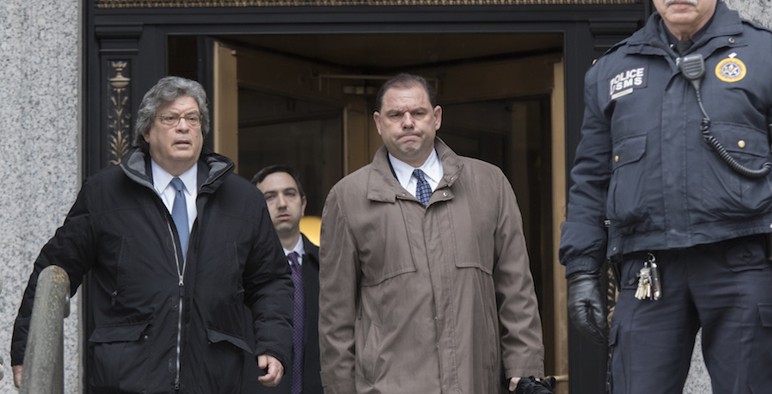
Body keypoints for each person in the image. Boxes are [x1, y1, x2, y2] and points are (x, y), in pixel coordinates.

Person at [559, 0, 772, 392]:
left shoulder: (771, 56)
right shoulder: (611, 70)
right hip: (647, 270)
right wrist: (582, 269)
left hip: (743, 261)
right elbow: (590, 179)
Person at [10, 76, 292, 392]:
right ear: (147, 131)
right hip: (127, 379)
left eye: (192, 119)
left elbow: (270, 280)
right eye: (170, 118)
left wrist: (273, 343)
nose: (183, 127)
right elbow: (54, 270)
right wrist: (27, 351)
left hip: (213, 378)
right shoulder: (104, 193)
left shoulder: (243, 199)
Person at [319, 73, 545, 393]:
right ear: (378, 123)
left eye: (418, 113)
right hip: (389, 385)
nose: (408, 122)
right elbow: (335, 316)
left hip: (474, 381)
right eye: (396, 115)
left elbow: (516, 287)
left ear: (436, 118)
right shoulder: (348, 198)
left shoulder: (489, 184)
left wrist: (525, 367)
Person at [247, 165, 323, 394]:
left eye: (289, 194)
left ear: (303, 203)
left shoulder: (328, 265)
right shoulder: (242, 271)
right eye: (269, 197)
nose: (281, 203)